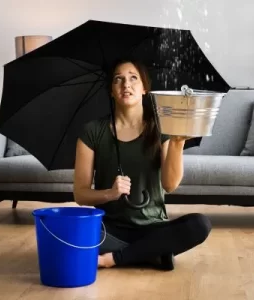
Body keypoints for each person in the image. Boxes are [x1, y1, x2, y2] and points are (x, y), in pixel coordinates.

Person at [73, 58, 212, 271]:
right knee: (74, 231)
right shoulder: (92, 131)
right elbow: (80, 195)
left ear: (145, 88)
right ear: (111, 90)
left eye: (133, 78)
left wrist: (178, 142)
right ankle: (150, 252)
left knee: (200, 225)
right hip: (109, 229)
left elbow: (170, 185)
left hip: (153, 227)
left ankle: (116, 258)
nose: (125, 85)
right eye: (118, 79)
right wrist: (109, 194)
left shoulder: (162, 127)